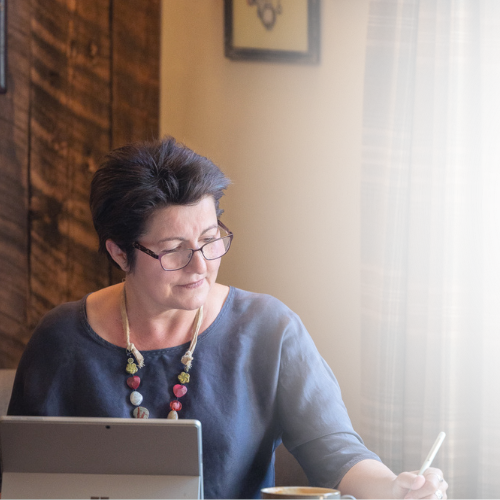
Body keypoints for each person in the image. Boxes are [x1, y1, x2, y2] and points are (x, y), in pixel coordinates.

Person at [7, 137, 448, 499]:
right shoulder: (62, 338)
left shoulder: (267, 329)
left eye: (210, 239)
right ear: (120, 253)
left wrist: (393, 488)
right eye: (174, 250)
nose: (200, 266)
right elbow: (22, 475)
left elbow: (333, 450)